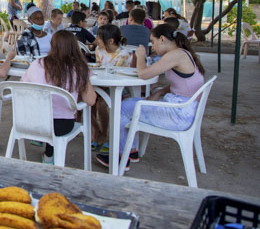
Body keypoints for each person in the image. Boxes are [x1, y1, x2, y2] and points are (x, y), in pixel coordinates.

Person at [96, 24, 206, 171]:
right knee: (129, 104)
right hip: (184, 108)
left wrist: (140, 55)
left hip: (178, 114)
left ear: (162, 39)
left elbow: (143, 74)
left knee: (121, 108)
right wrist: (159, 92)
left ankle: (120, 156)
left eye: (153, 42)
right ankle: (132, 151)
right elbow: (180, 83)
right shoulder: (182, 53)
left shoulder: (174, 55)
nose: (152, 46)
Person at [21, 31, 97, 164]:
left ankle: (49, 154)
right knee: (56, 116)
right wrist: (84, 76)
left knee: (48, 112)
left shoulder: (37, 63)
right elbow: (91, 100)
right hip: (61, 125)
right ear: (75, 47)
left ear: (52, 46)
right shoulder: (78, 68)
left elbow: (23, 87)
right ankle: (50, 155)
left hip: (31, 122)